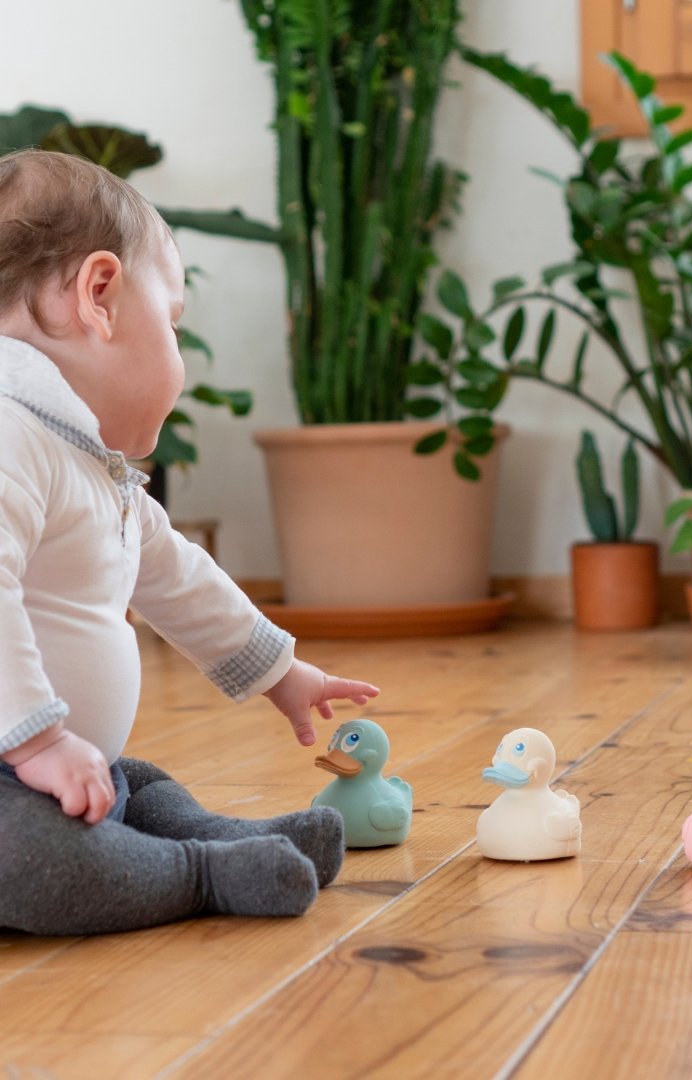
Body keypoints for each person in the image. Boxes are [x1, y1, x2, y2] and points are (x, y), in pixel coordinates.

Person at [0, 149, 379, 935]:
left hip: (63, 770)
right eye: (172, 323)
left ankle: (218, 836)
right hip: (18, 776)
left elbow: (173, 574)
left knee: (142, 785)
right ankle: (201, 874)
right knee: (42, 862)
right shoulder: (10, 436)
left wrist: (280, 670)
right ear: (99, 296)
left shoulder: (79, 453)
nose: (178, 357)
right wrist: (35, 742)